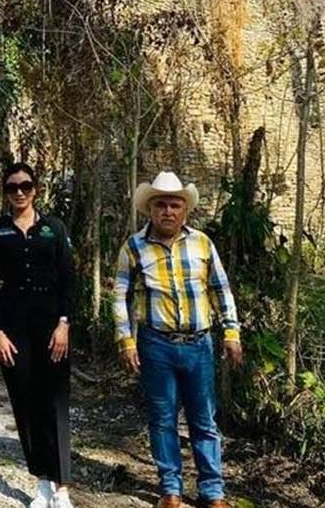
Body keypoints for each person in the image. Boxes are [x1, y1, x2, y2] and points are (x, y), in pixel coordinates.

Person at [113, 171, 243, 508]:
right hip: (156, 346)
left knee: (204, 420)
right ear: (150, 210)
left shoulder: (202, 243)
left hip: (199, 344)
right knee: (162, 419)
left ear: (184, 210)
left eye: (174, 205)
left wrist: (231, 333)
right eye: (161, 205)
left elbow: (220, 288)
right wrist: (125, 341)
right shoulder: (133, 247)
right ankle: (170, 489)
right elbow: (119, 297)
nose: (168, 211)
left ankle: (212, 493)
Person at [0, 162, 75, 508]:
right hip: (13, 325)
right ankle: (42, 481)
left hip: (52, 324)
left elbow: (68, 278)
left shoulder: (53, 227)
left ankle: (63, 486)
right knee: (25, 401)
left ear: (35, 189)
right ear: (5, 193)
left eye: (25, 185)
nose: (19, 192)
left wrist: (64, 323)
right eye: (11, 187)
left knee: (55, 402)